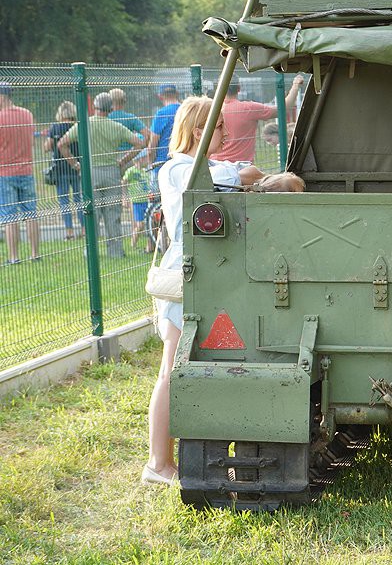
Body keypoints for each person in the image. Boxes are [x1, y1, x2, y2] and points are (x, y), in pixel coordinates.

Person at [144, 96, 265, 486]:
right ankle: (158, 464)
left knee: (183, 368)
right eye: (219, 127)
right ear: (199, 130)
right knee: (170, 371)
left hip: (205, 275)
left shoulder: (202, 167)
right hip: (186, 275)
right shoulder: (180, 169)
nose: (226, 133)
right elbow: (246, 174)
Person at [58, 92, 145, 258]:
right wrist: (122, 161)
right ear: (110, 109)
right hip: (112, 171)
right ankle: (116, 252)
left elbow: (62, 144)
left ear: (95, 107)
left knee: (92, 213)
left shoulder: (83, 125)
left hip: (90, 171)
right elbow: (139, 144)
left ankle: (91, 252)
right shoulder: (115, 126)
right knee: (113, 213)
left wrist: (76, 165)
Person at [209, 75, 304, 163]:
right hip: (243, 167)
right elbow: (282, 109)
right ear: (239, 88)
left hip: (215, 165)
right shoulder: (249, 109)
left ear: (219, 89)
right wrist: (295, 86)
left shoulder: (210, 110)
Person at [0, 81, 40, 263]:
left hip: (5, 172)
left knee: (9, 216)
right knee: (31, 214)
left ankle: (14, 257)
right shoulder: (27, 114)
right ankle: (34, 254)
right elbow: (32, 142)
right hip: (27, 169)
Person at [43, 101, 84, 240]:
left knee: (64, 202)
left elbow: (46, 147)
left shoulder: (55, 128)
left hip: (60, 170)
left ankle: (69, 232)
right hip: (77, 168)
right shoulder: (78, 126)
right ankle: (84, 230)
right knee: (79, 199)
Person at [122, 150, 153, 252]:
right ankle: (133, 244)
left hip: (146, 201)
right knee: (140, 225)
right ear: (141, 159)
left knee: (147, 224)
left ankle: (145, 245)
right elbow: (124, 182)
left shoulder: (145, 172)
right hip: (136, 202)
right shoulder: (131, 171)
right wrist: (125, 197)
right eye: (145, 158)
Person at [149, 83, 181, 172]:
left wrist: (151, 164)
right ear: (177, 93)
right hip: (183, 162)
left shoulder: (161, 114)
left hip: (162, 165)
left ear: (160, 96)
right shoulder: (185, 110)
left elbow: (152, 146)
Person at [108, 88, 151, 153]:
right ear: (124, 102)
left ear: (109, 102)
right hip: (129, 156)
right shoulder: (130, 118)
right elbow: (148, 135)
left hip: (110, 155)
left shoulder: (106, 118)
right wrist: (141, 146)